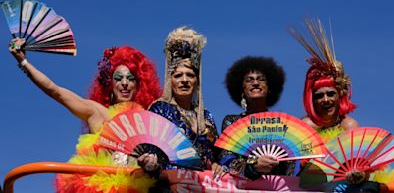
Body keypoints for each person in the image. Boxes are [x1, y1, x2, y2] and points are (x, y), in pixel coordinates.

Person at [9, 38, 162, 192]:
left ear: (139, 84)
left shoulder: (149, 119)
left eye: (130, 79)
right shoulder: (97, 113)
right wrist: (23, 62)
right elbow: (55, 91)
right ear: (110, 83)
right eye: (118, 78)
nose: (124, 83)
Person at [138, 26, 224, 180]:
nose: (184, 80)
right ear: (170, 80)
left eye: (190, 75)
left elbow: (217, 156)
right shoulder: (160, 110)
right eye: (178, 75)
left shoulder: (206, 116)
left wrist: (217, 165)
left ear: (197, 81)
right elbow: (151, 152)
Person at [219, 56, 293, 180]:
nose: (255, 83)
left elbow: (291, 164)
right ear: (242, 89)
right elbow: (226, 159)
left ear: (269, 88)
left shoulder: (282, 125)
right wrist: (253, 165)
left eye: (261, 79)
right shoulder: (232, 122)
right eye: (249, 80)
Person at [288, 18, 359, 143]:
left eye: (331, 93)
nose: (326, 100)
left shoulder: (349, 125)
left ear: (340, 95)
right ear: (312, 100)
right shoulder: (305, 127)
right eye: (319, 96)